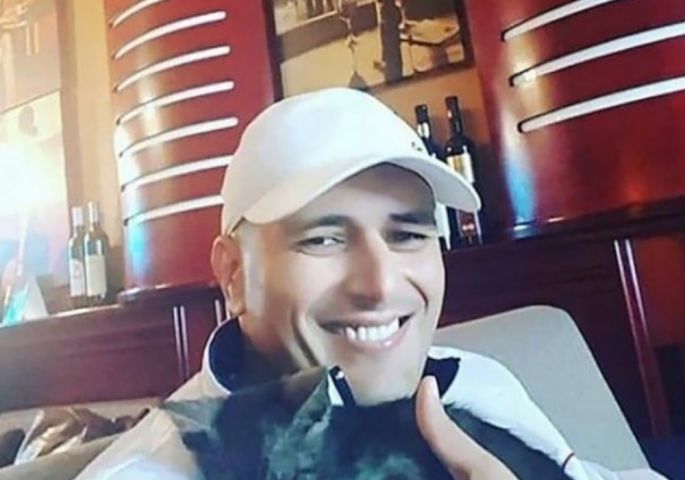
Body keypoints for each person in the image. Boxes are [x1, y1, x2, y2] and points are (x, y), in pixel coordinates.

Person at [76, 88, 646, 480]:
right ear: (234, 275)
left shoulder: (479, 380)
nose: (380, 283)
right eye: (324, 239)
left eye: (408, 235)